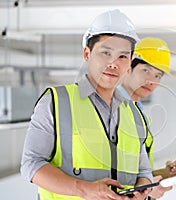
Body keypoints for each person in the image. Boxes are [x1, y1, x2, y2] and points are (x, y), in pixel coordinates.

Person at [21, 10, 153, 200]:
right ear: (87, 53)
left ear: (130, 62)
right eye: (106, 53)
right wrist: (84, 189)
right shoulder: (56, 101)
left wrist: (141, 190)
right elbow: (31, 164)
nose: (113, 63)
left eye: (122, 56)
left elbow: (144, 171)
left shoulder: (135, 114)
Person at [119, 37, 176, 199]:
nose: (151, 81)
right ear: (129, 66)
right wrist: (148, 188)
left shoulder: (139, 114)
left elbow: (129, 167)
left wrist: (161, 175)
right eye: (146, 70)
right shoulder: (110, 108)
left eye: (158, 76)